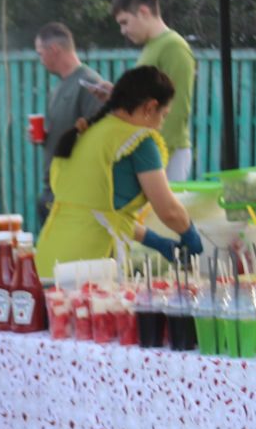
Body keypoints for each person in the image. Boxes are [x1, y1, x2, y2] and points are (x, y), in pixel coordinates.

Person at [35, 67, 202, 276]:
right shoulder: (139, 141)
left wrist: (156, 241)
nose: (160, 125)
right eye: (164, 116)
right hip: (90, 267)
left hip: (50, 257)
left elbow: (101, 214)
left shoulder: (88, 133)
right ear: (150, 107)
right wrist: (190, 234)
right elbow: (168, 210)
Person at [112, 0, 198, 182]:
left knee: (161, 213)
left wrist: (156, 156)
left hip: (166, 152)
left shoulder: (173, 46)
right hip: (150, 151)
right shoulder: (152, 47)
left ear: (143, 12)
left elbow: (177, 108)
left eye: (125, 22)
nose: (123, 30)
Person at [34, 22, 110, 222]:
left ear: (54, 50)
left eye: (40, 53)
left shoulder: (90, 84)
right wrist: (43, 137)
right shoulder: (57, 89)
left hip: (74, 196)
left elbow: (97, 139)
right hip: (52, 190)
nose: (40, 60)